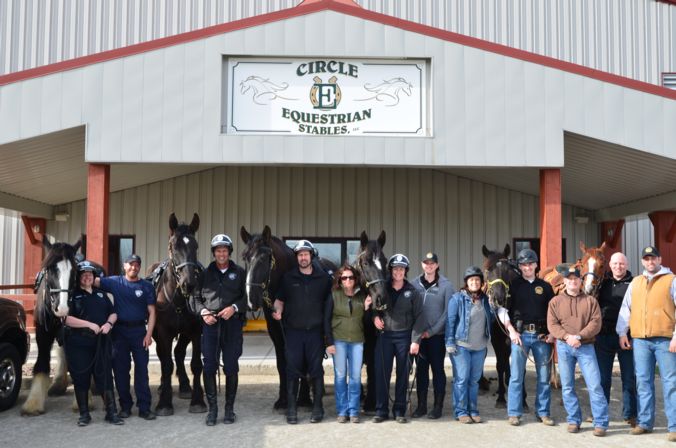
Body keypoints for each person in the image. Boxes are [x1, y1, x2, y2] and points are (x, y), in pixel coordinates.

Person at [617, 246, 676, 442]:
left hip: (665, 339)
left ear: (659, 259)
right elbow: (626, 309)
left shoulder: (671, 280)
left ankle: (674, 426)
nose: (650, 262)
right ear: (642, 261)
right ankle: (644, 422)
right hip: (640, 340)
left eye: (653, 258)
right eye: (646, 259)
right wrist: (621, 332)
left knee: (671, 383)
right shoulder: (636, 282)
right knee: (643, 381)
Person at [272, 240, 333, 424]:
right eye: (300, 255)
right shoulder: (288, 278)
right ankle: (292, 408)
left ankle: (318, 407)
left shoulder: (323, 279)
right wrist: (278, 309)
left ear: (311, 256)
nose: (303, 257)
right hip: (293, 333)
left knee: (316, 370)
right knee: (292, 370)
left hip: (315, 333)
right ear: (296, 257)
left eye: (306, 254)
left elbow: (334, 299)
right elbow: (279, 300)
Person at [190, 234, 247, 425]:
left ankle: (229, 410)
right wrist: (204, 312)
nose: (221, 254)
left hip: (232, 325)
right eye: (218, 250)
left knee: (231, 365)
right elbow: (195, 299)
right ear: (213, 253)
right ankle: (212, 410)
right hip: (210, 325)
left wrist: (234, 308)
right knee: (209, 366)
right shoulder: (204, 274)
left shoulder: (239, 272)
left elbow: (247, 298)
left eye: (224, 250)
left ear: (229, 252)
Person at [547, 265, 608, 436]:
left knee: (594, 385)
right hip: (564, 347)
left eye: (576, 279)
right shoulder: (555, 302)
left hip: (585, 347)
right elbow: (552, 324)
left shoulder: (590, 301)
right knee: (567, 386)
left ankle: (601, 422)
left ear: (580, 281)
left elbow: (596, 323)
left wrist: (579, 337)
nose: (573, 282)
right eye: (569, 279)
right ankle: (574, 420)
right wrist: (567, 337)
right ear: (564, 281)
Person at [96, 254, 157, 420]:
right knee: (121, 372)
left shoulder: (147, 287)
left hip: (139, 333)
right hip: (119, 333)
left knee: (142, 372)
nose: (134, 267)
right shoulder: (115, 282)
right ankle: (125, 406)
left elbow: (152, 312)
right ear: (124, 266)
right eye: (131, 264)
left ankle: (144, 408)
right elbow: (91, 281)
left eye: (137, 265)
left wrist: (149, 334)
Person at [64, 260, 123, 426]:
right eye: (84, 275)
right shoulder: (72, 295)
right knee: (81, 378)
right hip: (79, 343)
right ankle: (84, 415)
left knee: (105, 377)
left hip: (101, 343)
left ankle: (111, 413)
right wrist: (89, 324)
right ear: (79, 277)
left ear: (93, 277)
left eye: (90, 274)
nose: (87, 277)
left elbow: (113, 313)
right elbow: (66, 319)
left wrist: (108, 324)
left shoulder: (101, 294)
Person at [505, 248, 556, 427]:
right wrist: (511, 330)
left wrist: (552, 333)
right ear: (519, 266)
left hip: (542, 337)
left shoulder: (546, 287)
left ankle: (543, 413)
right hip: (520, 336)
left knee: (544, 377)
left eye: (530, 264)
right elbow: (503, 310)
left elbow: (554, 312)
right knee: (516, 376)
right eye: (523, 265)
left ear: (536, 265)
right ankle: (514, 413)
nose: (527, 267)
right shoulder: (513, 286)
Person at [372, 254, 423, 424]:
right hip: (385, 336)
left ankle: (399, 410)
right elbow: (374, 306)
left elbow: (419, 317)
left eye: (401, 269)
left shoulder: (413, 291)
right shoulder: (382, 288)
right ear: (391, 271)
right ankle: (381, 410)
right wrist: (374, 317)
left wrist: (415, 340)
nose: (398, 272)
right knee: (382, 374)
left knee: (402, 375)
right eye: (395, 269)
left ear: (405, 271)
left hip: (404, 337)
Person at [445, 266, 499, 424]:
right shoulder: (457, 299)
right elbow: (450, 321)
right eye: (471, 280)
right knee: (461, 379)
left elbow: (493, 317)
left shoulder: (486, 301)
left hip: (480, 347)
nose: (474, 282)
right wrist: (449, 342)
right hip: (461, 346)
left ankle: (473, 409)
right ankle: (461, 411)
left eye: (477, 280)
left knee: (474, 381)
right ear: (466, 283)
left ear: (482, 283)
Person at [325, 265, 372, 423]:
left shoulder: (362, 295)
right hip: (338, 340)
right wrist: (329, 342)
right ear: (339, 279)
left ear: (355, 278)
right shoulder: (333, 295)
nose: (348, 280)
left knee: (355, 377)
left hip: (357, 341)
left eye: (350, 277)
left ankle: (354, 411)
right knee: (340, 376)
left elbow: (366, 322)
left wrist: (366, 309)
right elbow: (326, 320)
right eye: (344, 277)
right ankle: (342, 410)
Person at [595, 252, 637, 427]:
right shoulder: (602, 283)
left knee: (628, 378)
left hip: (626, 337)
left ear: (626, 265)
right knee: (603, 379)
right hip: (603, 337)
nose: (618, 267)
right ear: (610, 265)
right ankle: (600, 413)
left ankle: (630, 414)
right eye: (615, 263)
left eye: (621, 264)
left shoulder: (635, 284)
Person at [411, 252, 455, 419]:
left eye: (432, 263)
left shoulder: (446, 285)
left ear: (437, 265)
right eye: (426, 263)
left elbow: (447, 313)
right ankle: (421, 405)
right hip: (419, 337)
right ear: (422, 265)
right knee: (421, 371)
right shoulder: (414, 284)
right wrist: (417, 333)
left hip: (437, 337)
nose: (429, 266)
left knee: (437, 371)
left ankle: (437, 407)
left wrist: (433, 331)